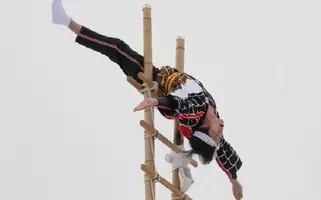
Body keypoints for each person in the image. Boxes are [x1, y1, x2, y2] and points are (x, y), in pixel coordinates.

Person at [52, 0, 243, 199]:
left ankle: (67, 22)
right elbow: (224, 153)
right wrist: (234, 181)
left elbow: (178, 104)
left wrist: (155, 101)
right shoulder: (213, 116)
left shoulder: (194, 110)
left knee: (117, 48)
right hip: (165, 80)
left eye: (216, 136)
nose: (221, 134)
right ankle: (67, 22)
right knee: (118, 48)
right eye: (219, 137)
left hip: (154, 81)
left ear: (205, 129)